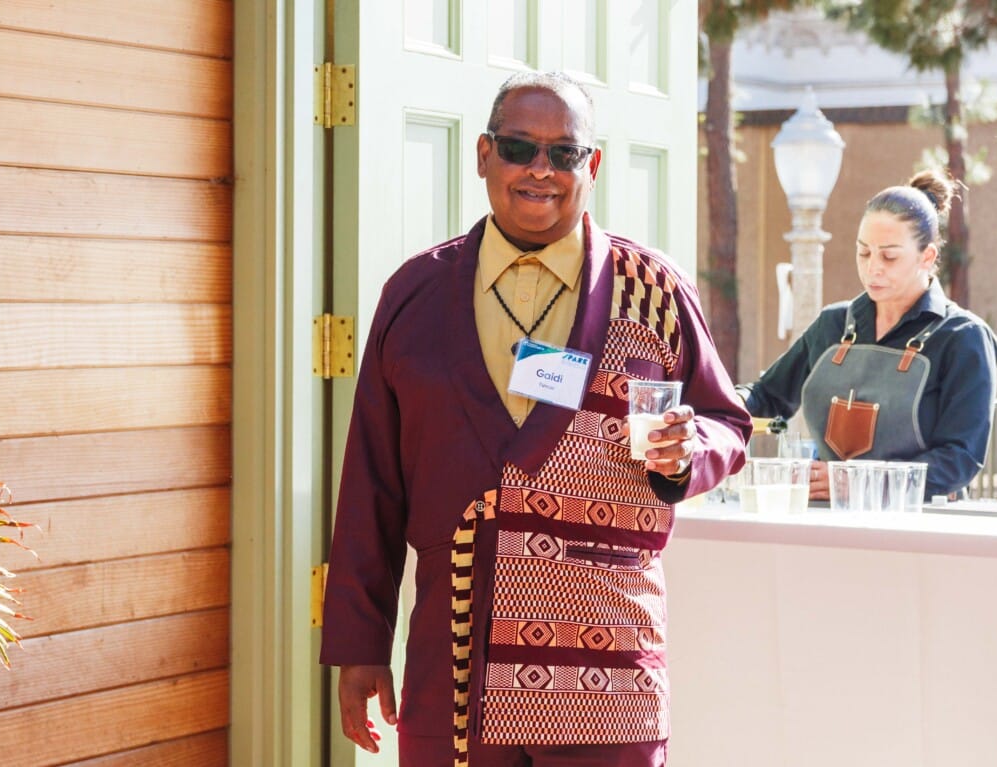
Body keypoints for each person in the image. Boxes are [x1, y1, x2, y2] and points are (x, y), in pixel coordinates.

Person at [320, 70, 751, 767]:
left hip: (606, 670)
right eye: (519, 148)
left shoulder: (654, 293)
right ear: (484, 154)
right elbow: (372, 481)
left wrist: (689, 449)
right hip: (453, 656)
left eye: (564, 153)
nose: (540, 170)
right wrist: (360, 644)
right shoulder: (415, 295)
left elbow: (727, 422)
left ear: (593, 165)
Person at [740, 170, 997, 500]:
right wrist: (723, 404)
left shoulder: (964, 338)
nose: (873, 267)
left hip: (921, 522)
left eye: (889, 256)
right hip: (826, 519)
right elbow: (766, 396)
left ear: (927, 257)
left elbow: (960, 458)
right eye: (863, 252)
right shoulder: (832, 324)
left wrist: (855, 483)